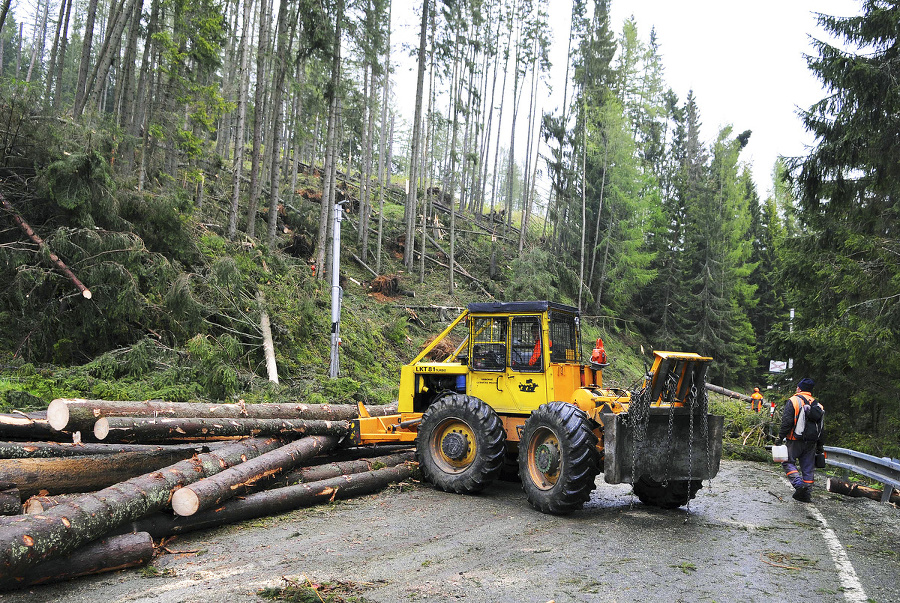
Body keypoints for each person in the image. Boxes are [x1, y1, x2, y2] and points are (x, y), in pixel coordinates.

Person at [775, 377, 825, 502]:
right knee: (808, 467)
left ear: (799, 388)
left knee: (787, 461)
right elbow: (822, 428)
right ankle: (806, 493)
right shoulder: (818, 405)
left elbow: (787, 422)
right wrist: (820, 445)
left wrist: (780, 437)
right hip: (811, 442)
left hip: (794, 439)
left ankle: (799, 485)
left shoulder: (793, 401)